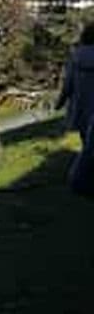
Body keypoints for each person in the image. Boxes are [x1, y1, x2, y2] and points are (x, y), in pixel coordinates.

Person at [56, 23, 94, 196]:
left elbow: (68, 84)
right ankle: (82, 179)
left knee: (87, 144)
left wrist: (60, 102)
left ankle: (85, 178)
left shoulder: (75, 57)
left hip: (82, 108)